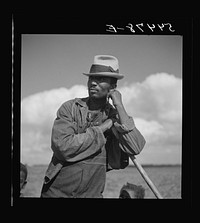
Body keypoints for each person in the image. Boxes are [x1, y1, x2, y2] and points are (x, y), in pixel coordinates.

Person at [40, 55, 146, 198]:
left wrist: (119, 105)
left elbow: (136, 147)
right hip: (56, 193)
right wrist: (103, 128)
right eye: (91, 79)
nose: (93, 83)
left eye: (101, 80)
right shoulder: (70, 108)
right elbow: (62, 147)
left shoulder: (116, 116)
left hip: (92, 195)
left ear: (113, 87)